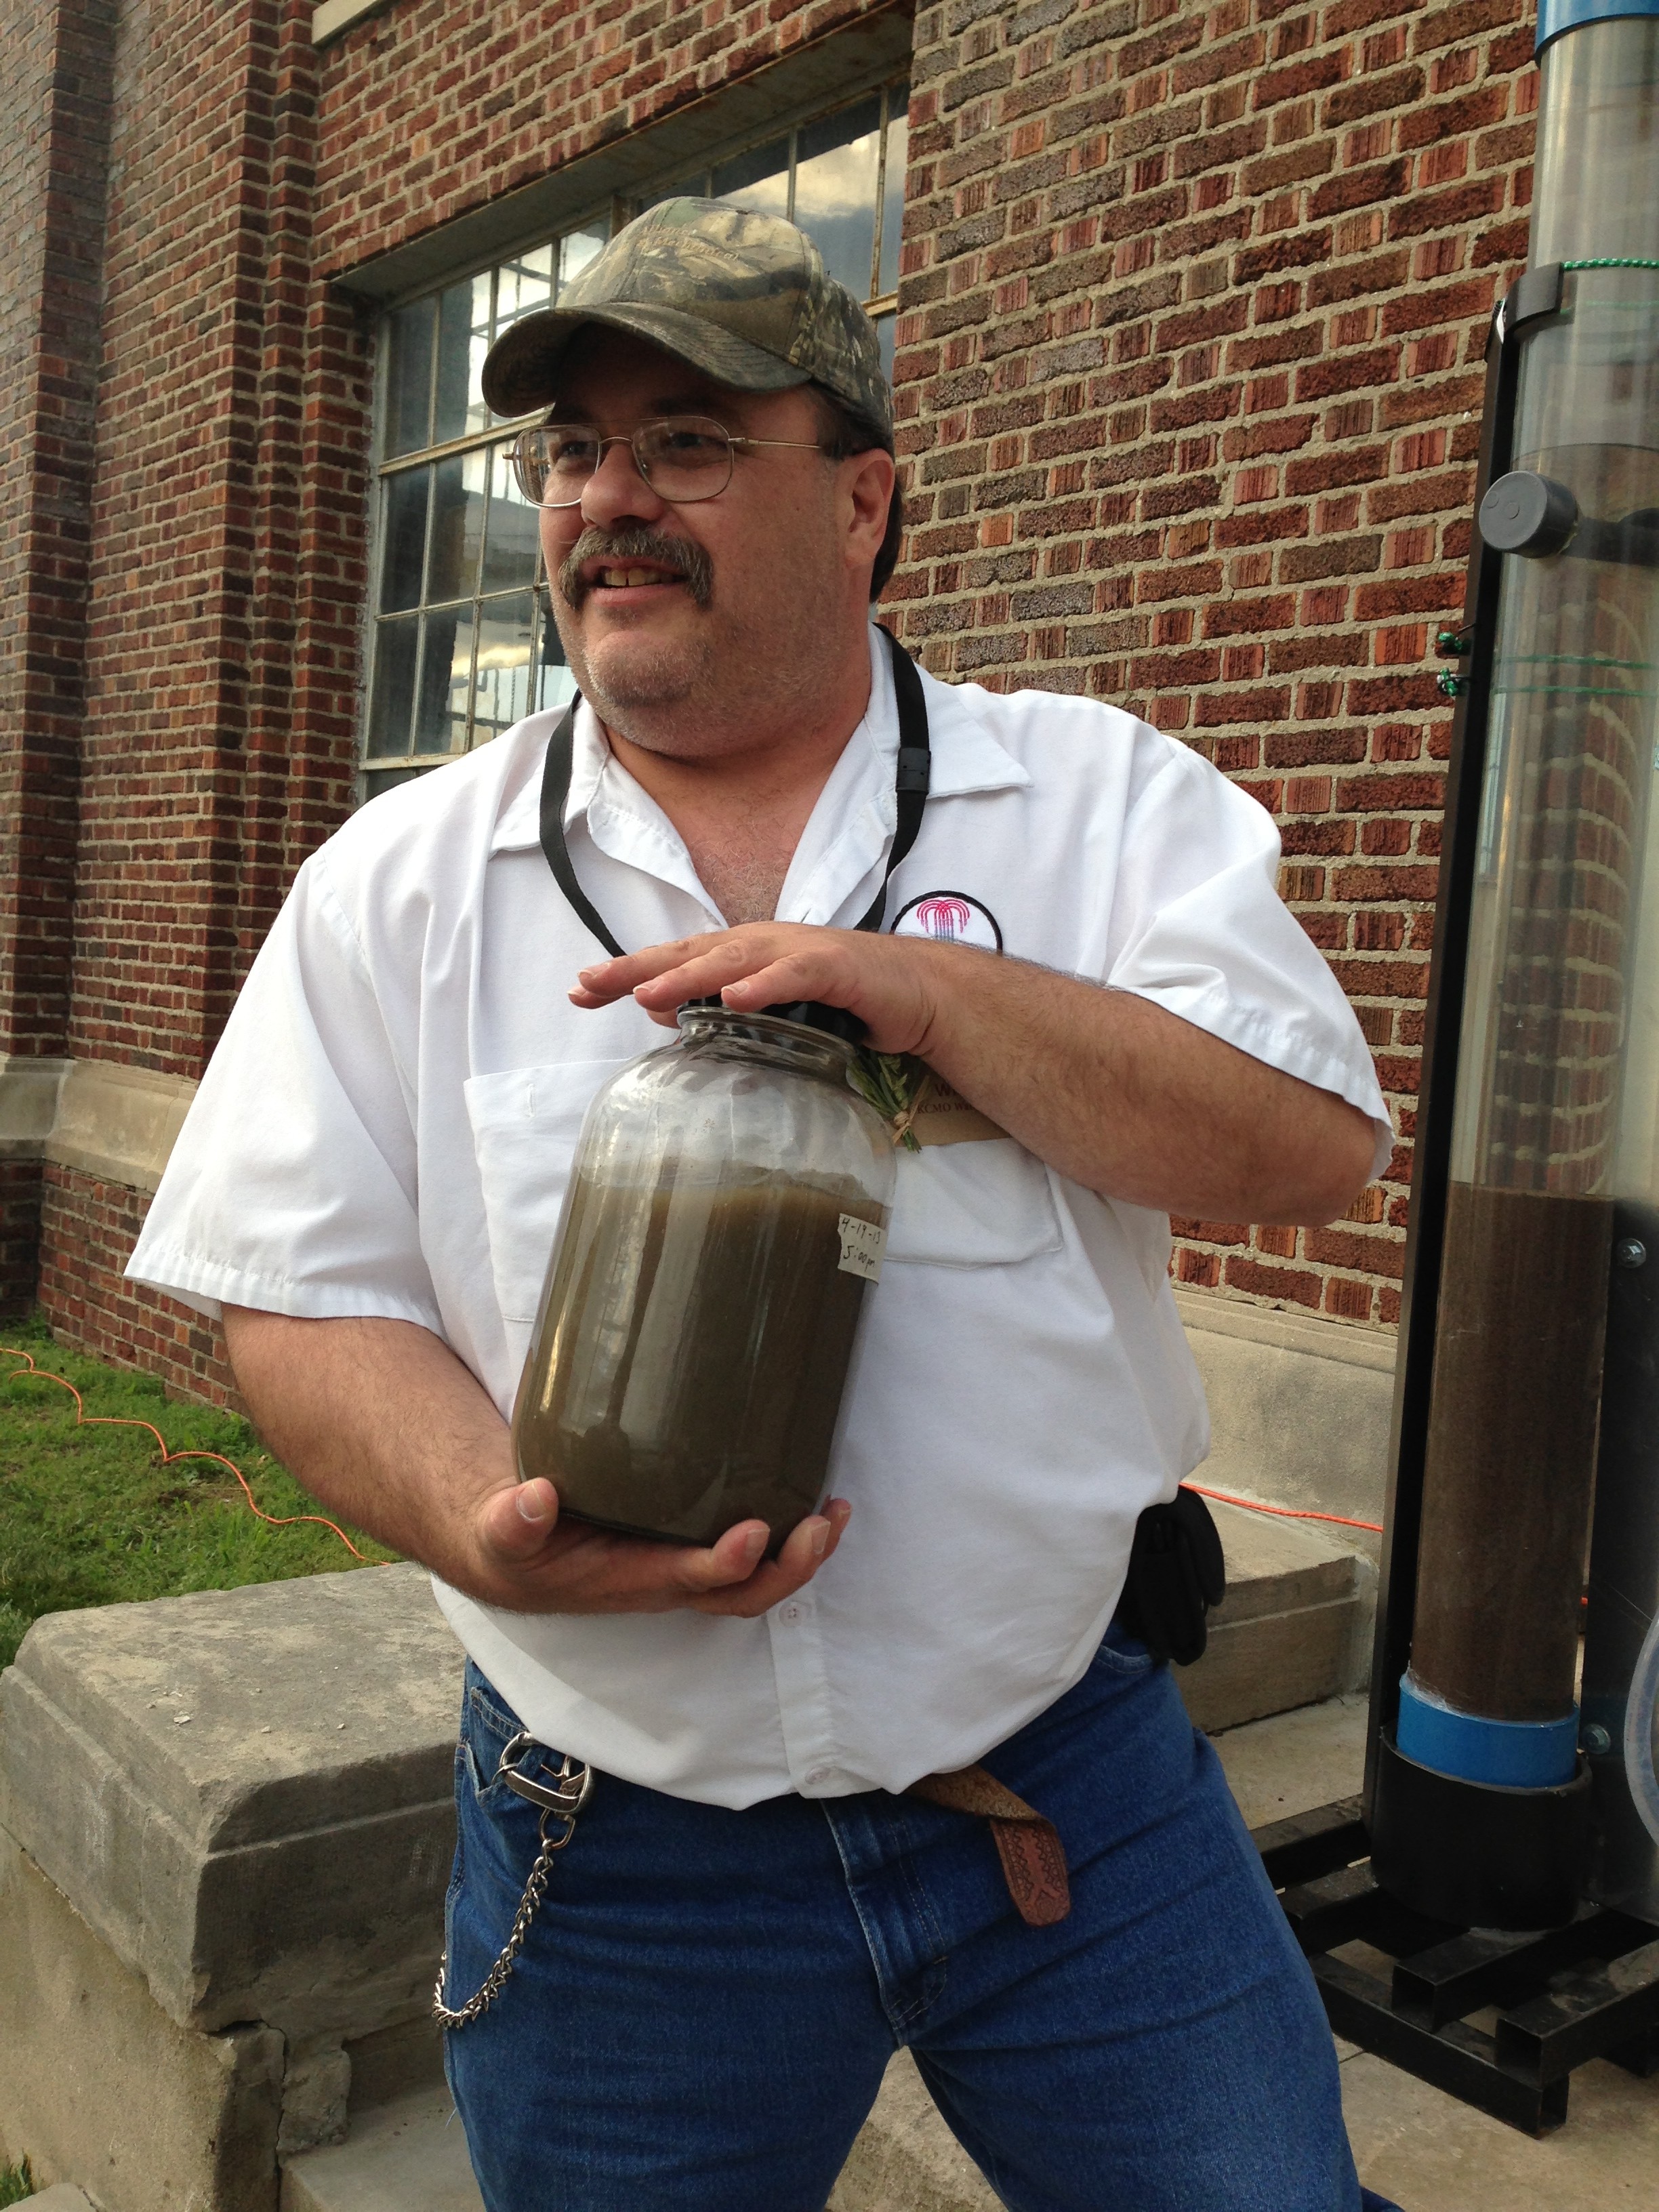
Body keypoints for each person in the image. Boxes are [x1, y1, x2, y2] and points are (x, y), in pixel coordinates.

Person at [129, 199, 1404, 2212]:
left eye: (691, 441)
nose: (608, 502)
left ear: (867, 498)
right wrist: (485, 1517)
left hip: (1065, 1781)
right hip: (616, 1845)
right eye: (572, 454)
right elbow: (297, 1293)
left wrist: (934, 994)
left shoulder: (1091, 804)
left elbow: (1309, 1150)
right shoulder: (401, 879)